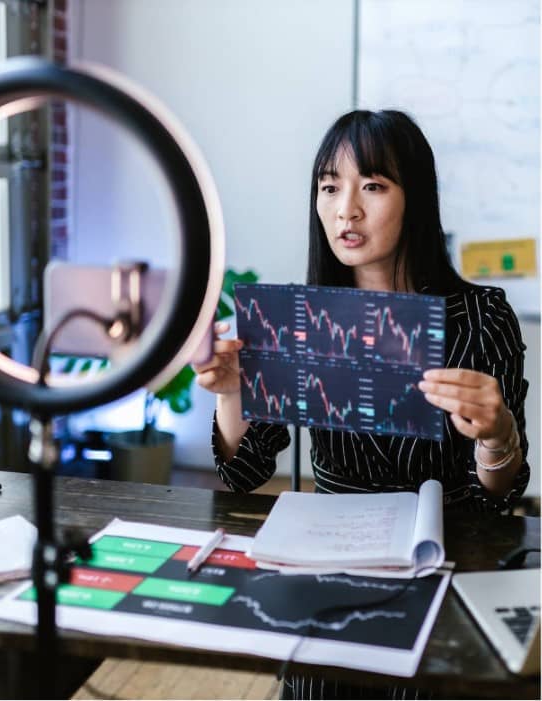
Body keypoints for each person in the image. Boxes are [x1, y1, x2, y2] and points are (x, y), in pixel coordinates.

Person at [193, 109, 529, 699]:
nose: (345, 209)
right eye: (329, 187)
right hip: (326, 564)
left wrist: (497, 437)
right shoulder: (298, 317)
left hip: (442, 561)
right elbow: (243, 472)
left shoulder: (481, 316)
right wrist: (230, 396)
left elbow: (496, 498)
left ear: (415, 198)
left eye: (372, 186)